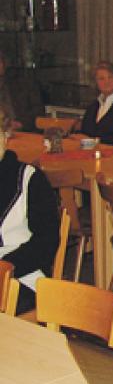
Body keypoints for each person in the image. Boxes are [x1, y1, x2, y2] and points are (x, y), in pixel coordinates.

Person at [0, 110, 59, 315]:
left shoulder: (29, 179)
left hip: (21, 273)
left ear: (6, 136)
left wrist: (6, 269)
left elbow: (46, 242)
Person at [0, 50, 44, 132]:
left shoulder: (23, 84)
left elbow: (39, 111)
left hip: (22, 133)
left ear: (4, 63)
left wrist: (21, 123)